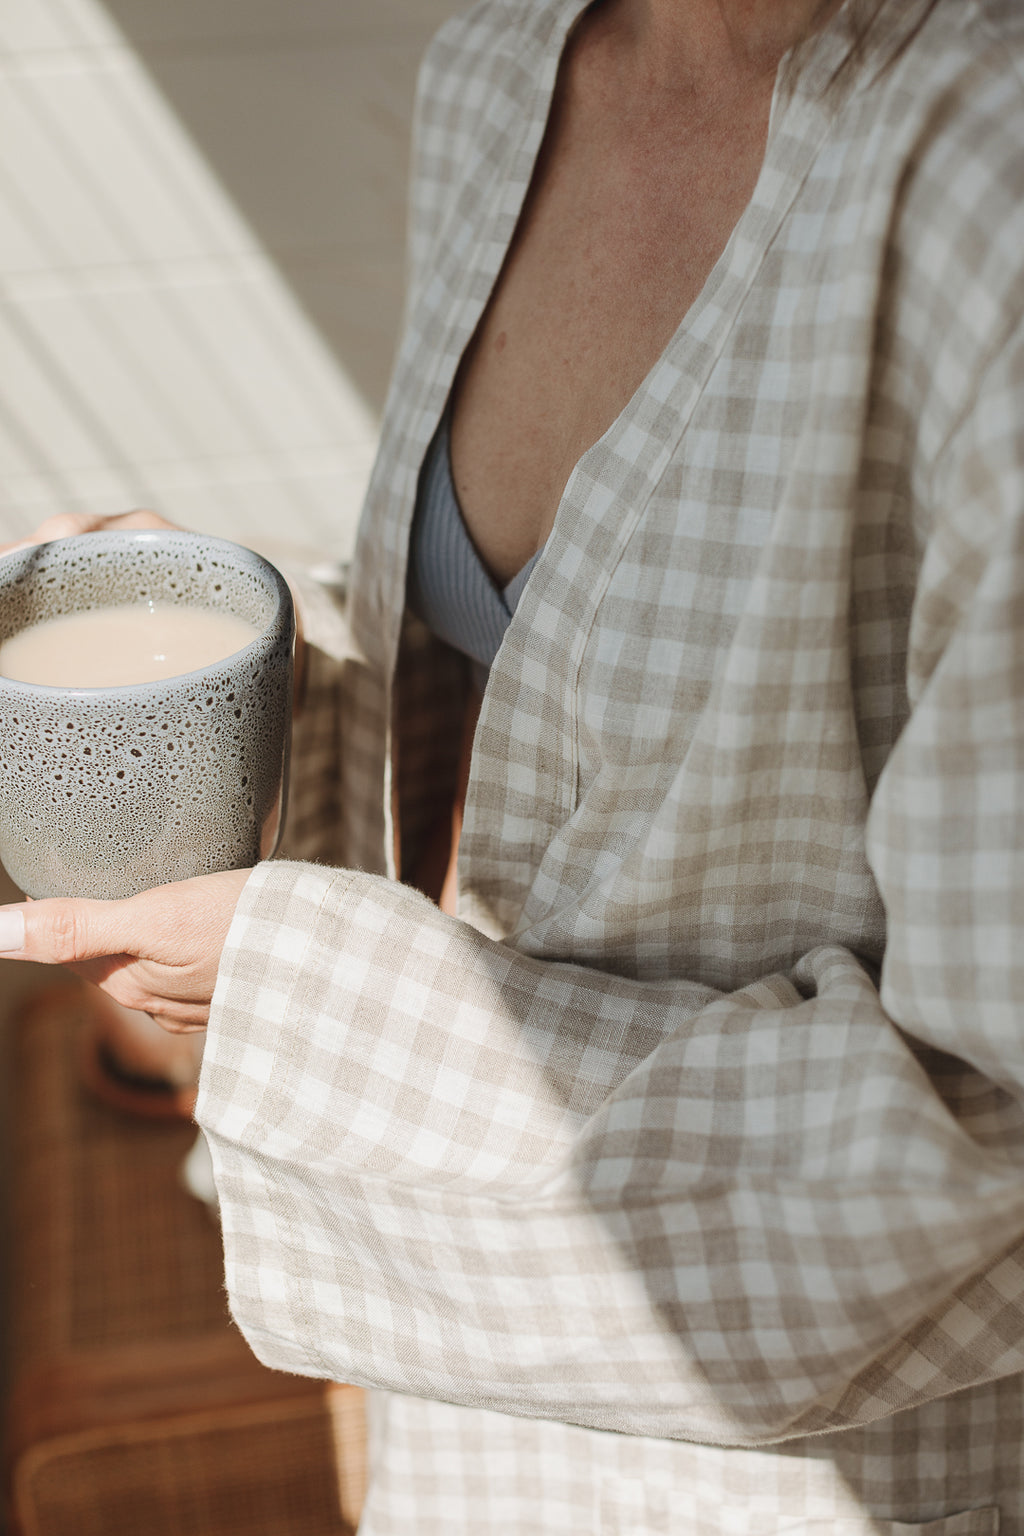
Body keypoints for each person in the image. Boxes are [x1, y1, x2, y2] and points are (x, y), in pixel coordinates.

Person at [2, 0, 1024, 1528]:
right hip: (469, 1410)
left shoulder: (988, 173)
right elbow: (529, 710)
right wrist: (215, 671)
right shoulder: (504, 65)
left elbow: (994, 1151)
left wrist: (302, 1000)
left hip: (813, 1475)